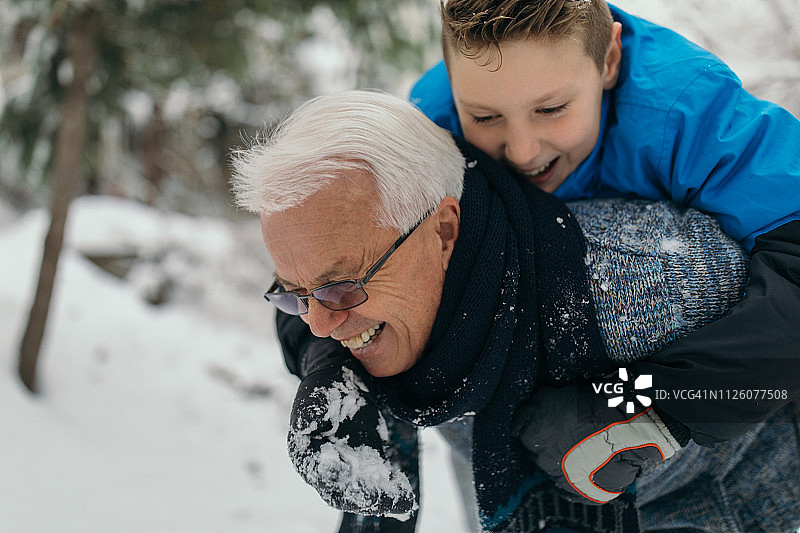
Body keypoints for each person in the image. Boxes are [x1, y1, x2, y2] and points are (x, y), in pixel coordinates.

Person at [230, 89, 800, 532]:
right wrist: (322, 361)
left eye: (340, 287)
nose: (321, 318)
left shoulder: (648, 281)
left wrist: (643, 403)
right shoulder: (390, 290)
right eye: (294, 293)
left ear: (445, 230)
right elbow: (313, 287)